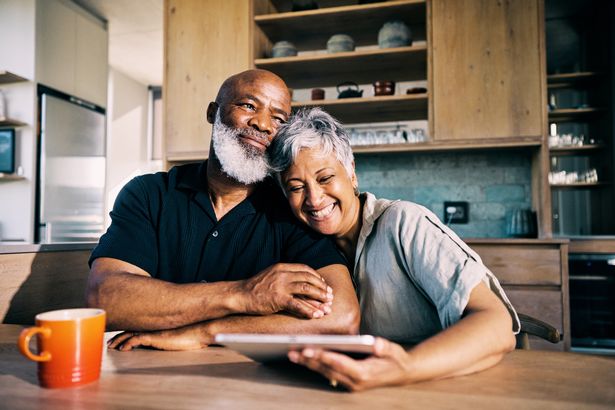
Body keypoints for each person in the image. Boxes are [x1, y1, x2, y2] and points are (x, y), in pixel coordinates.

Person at [86, 70, 359, 351]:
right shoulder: (148, 194)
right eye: (248, 106)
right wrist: (244, 294)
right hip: (142, 376)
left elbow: (342, 317)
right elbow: (105, 298)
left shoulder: (291, 209)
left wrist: (208, 332)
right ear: (213, 113)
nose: (263, 124)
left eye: (278, 119)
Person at [268, 107, 520, 391]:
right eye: (296, 187)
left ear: (352, 174)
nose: (313, 198)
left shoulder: (403, 222)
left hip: (446, 386)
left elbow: (498, 325)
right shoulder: (306, 251)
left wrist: (404, 368)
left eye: (325, 178)